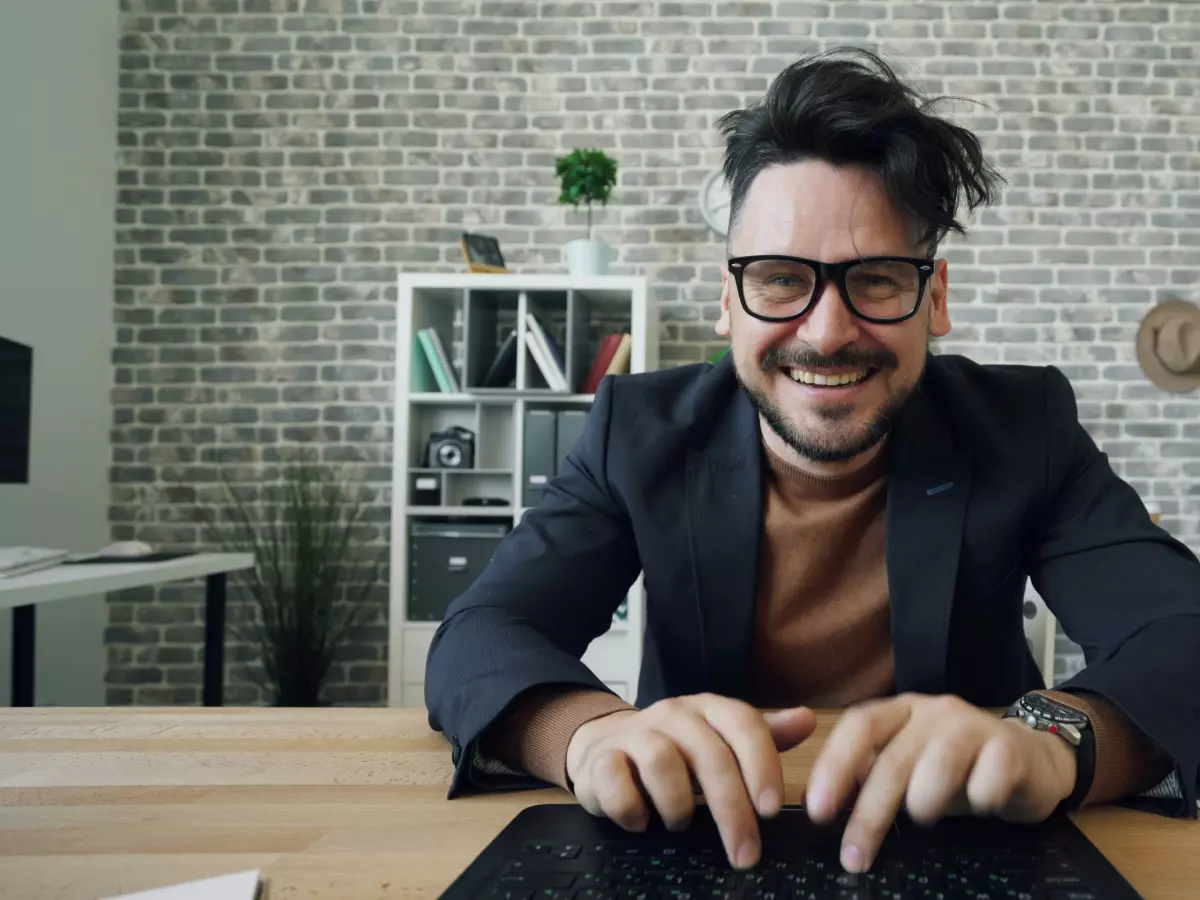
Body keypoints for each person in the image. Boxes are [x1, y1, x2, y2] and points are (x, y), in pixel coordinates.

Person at [425, 48, 1200, 875]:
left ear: (933, 300)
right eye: (781, 278)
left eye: (874, 280)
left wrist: (1048, 745)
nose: (827, 332)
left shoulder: (1024, 428)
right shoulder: (637, 430)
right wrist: (588, 734)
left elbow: (1183, 635)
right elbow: (481, 635)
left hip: (963, 846)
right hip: (692, 848)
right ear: (730, 302)